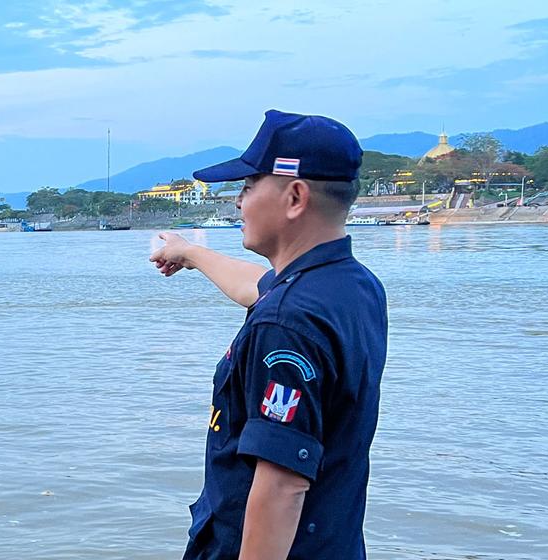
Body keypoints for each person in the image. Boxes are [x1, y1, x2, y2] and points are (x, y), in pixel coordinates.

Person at [150, 110, 388, 559]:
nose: (238, 203)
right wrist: (191, 253)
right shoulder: (352, 286)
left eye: (247, 187)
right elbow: (256, 286)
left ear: (295, 196)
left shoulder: (286, 320)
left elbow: (282, 487)